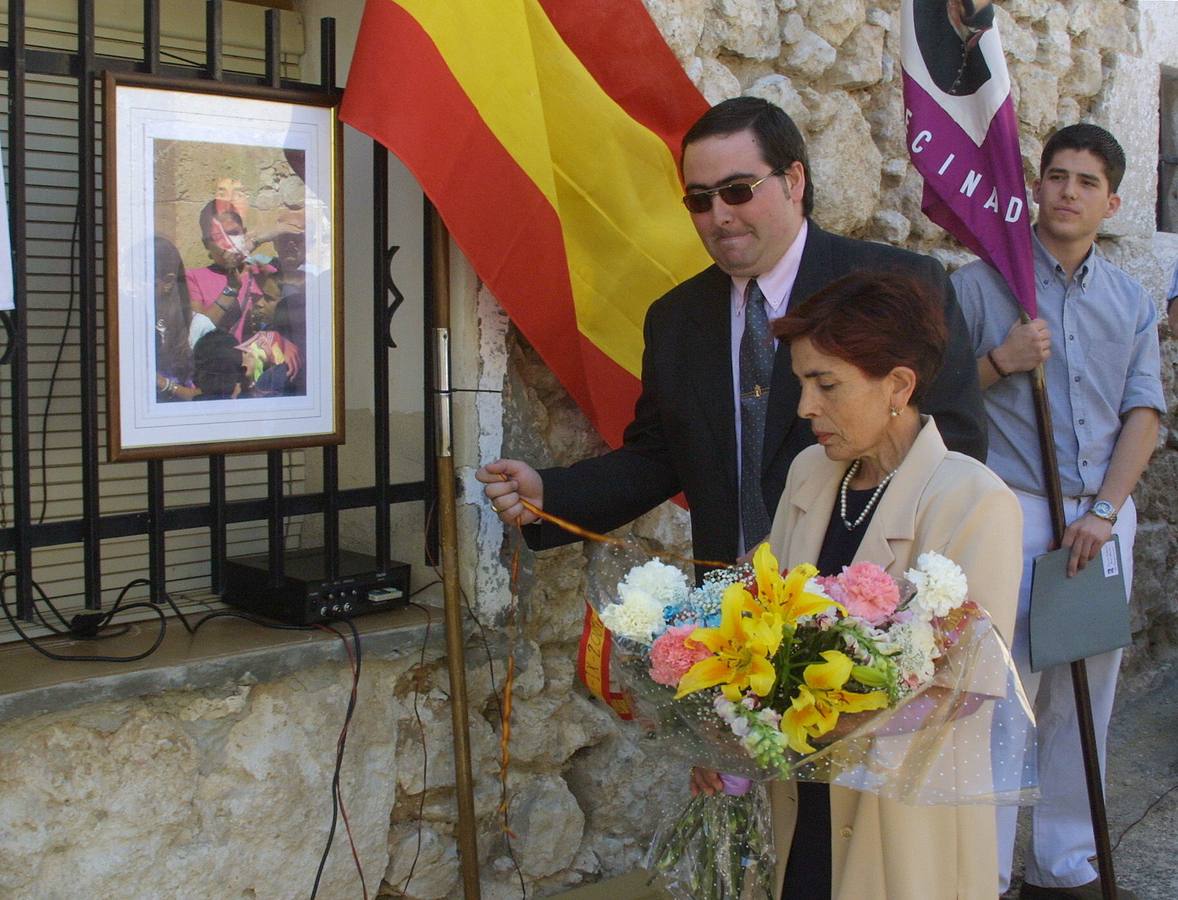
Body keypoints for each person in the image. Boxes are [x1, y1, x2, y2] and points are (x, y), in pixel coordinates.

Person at [477, 97, 986, 573]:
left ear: (794, 181)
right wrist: (551, 494)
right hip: (731, 619)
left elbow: (953, 444)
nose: (720, 215)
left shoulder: (898, 284)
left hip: (865, 602)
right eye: (699, 200)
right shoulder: (675, 320)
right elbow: (660, 456)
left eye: (738, 191)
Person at [695, 271, 1022, 899]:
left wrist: (822, 727)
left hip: (903, 819)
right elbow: (765, 615)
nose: (804, 407)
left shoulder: (973, 502)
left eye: (826, 384)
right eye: (801, 383)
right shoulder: (810, 474)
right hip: (801, 799)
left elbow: (966, 686)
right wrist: (724, 727)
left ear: (898, 385)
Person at [952, 123, 1164, 900]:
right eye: (1056, 175)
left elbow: (1145, 411)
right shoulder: (979, 287)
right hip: (1008, 511)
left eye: (1086, 181)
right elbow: (932, 404)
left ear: (1111, 201)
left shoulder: (1130, 300)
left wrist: (1106, 510)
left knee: (1087, 693)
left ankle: (1067, 864)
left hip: (1096, 520)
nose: (1068, 191)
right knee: (1001, 699)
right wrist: (1000, 361)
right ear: (1035, 187)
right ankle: (987, 870)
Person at [185, 200, 271, 343]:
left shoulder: (263, 271)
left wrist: (261, 239)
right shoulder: (193, 278)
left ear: (244, 234)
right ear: (206, 244)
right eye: (218, 237)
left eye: (234, 234)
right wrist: (231, 289)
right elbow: (198, 334)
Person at [153, 236, 203, 402]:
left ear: (167, 282)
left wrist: (164, 384)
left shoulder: (198, 327)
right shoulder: (128, 323)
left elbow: (214, 394)